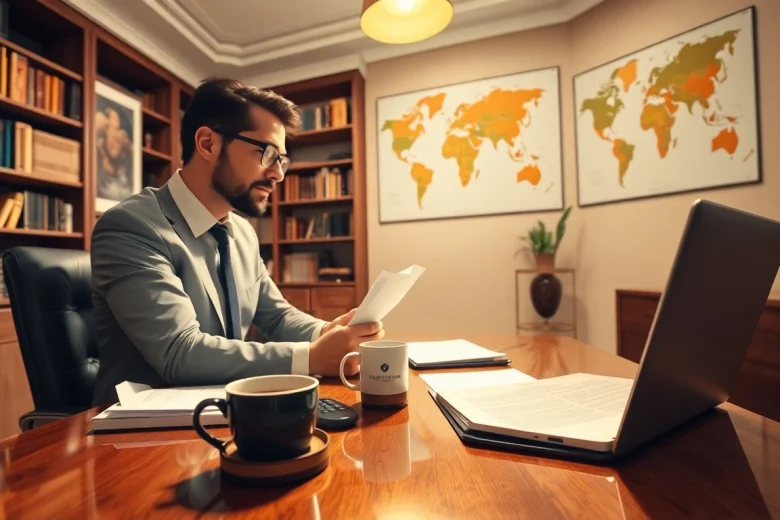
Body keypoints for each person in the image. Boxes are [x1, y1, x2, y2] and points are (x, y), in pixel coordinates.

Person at [90, 77, 383, 405]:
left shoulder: (242, 232)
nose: (278, 174)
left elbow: (276, 316)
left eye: (282, 160)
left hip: (229, 409)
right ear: (208, 144)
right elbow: (178, 352)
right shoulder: (131, 227)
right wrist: (311, 357)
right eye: (267, 153)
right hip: (139, 427)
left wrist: (329, 333)